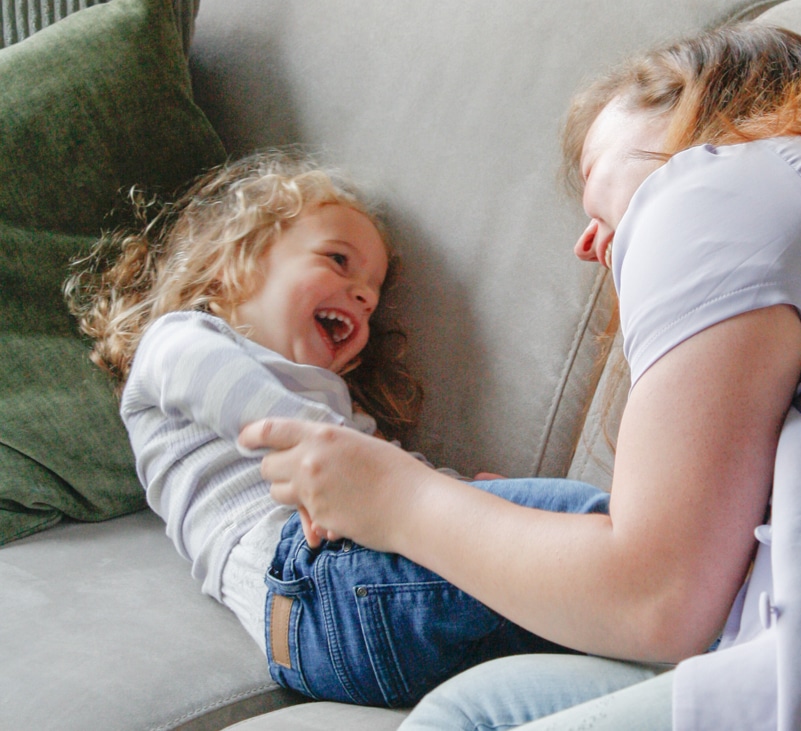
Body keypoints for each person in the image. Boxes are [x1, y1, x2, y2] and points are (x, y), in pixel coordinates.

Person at [238, 21, 801, 730]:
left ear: (694, 115)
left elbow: (659, 594)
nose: (588, 244)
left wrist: (391, 497)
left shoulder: (720, 179)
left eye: (596, 176)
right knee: (473, 706)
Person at [64, 150, 611, 709]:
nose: (364, 296)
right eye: (338, 261)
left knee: (581, 618)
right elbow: (262, 413)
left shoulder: (334, 409)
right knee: (589, 526)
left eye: (372, 295)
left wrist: (470, 498)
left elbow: (397, 479)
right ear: (234, 265)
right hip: (312, 587)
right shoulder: (178, 339)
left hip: (332, 627)